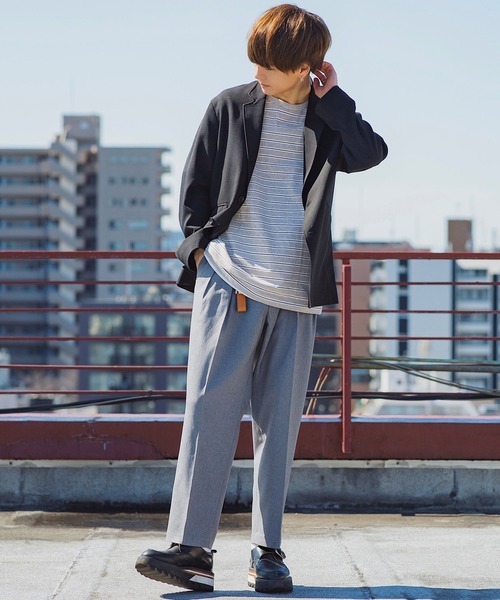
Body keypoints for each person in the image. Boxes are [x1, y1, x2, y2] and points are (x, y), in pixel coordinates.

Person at [136, 3, 387, 594]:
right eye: (255, 60)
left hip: (297, 292)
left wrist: (335, 100)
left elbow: (369, 153)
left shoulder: (326, 117)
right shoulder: (231, 106)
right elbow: (196, 187)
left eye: (269, 64)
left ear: (303, 67)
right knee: (209, 410)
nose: (257, 72)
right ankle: (191, 548)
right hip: (231, 279)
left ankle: (267, 551)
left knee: (279, 426)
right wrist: (201, 252)